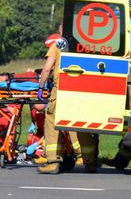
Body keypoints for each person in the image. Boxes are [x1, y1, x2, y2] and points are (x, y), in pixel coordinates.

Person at [37, 25, 97, 174]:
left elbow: (47, 68)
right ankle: (90, 162)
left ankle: (52, 162)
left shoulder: (58, 44)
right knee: (82, 125)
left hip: (62, 89)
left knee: (52, 123)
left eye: (59, 30)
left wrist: (41, 87)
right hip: (80, 90)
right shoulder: (84, 45)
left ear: (61, 32)